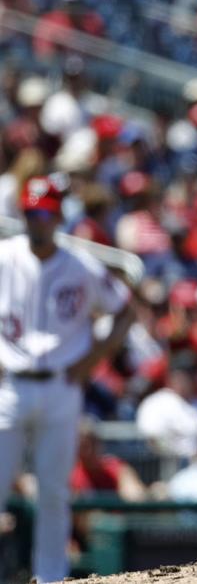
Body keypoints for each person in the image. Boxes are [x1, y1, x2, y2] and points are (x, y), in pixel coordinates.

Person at [0, 175, 134, 583]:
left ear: (58, 216)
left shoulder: (80, 265)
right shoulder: (4, 256)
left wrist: (92, 361)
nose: (38, 220)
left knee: (54, 493)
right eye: (32, 212)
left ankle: (51, 577)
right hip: (9, 386)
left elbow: (125, 308)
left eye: (45, 213)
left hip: (62, 384)